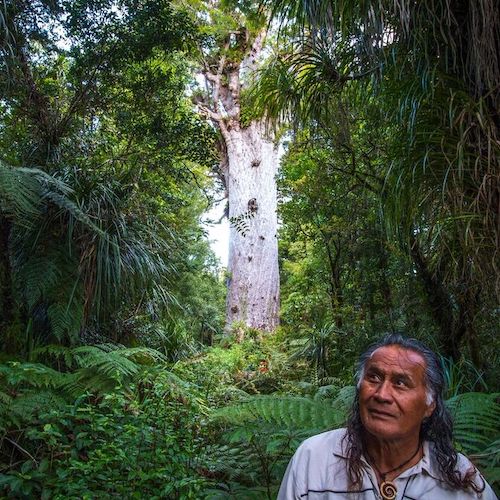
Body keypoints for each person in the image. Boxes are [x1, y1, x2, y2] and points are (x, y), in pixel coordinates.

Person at [278, 334, 497, 499]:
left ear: (429, 405)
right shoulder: (314, 458)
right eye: (373, 377)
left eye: (401, 383)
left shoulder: (460, 478)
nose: (382, 395)